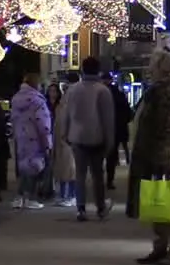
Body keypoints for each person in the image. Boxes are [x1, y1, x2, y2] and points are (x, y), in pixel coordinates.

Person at [133, 51, 170, 265]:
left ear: (162, 68)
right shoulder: (165, 90)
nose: (150, 69)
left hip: (164, 156)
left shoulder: (166, 92)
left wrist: (164, 157)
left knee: (168, 201)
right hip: (158, 153)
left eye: (153, 65)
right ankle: (160, 246)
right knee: (158, 200)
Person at [62, 56, 116, 222]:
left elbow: (67, 114)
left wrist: (66, 133)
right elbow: (107, 118)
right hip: (97, 137)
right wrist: (110, 140)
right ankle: (100, 208)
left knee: (80, 174)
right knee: (97, 174)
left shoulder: (73, 90)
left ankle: (81, 209)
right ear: (98, 70)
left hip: (77, 136)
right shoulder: (102, 90)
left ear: (82, 70)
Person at [9, 73, 52, 209]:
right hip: (35, 138)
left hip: (21, 137)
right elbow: (43, 123)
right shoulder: (38, 100)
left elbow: (13, 119)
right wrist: (47, 142)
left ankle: (19, 197)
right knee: (35, 167)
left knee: (23, 168)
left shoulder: (16, 99)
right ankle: (31, 198)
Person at [105, 74, 134, 189]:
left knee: (100, 155)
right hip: (118, 129)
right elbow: (128, 114)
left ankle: (101, 177)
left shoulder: (101, 93)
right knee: (112, 155)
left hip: (103, 128)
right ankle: (110, 179)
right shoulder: (120, 95)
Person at [48, 83, 75, 207]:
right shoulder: (62, 106)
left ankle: (70, 196)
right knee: (66, 171)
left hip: (67, 142)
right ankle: (66, 195)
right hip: (63, 142)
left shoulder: (65, 106)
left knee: (69, 171)